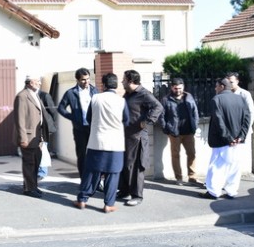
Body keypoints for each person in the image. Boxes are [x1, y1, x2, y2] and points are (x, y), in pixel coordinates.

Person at [73, 73, 129, 213]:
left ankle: (82, 200)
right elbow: (126, 120)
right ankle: (108, 204)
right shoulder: (121, 101)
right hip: (115, 143)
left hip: (96, 141)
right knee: (113, 173)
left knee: (91, 171)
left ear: (103, 85)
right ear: (116, 85)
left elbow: (89, 118)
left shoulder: (95, 98)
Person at [201, 78, 251, 200]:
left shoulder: (216, 99)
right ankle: (232, 191)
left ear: (222, 86)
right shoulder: (241, 99)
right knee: (235, 167)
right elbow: (247, 119)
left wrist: (228, 138)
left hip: (222, 141)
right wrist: (241, 136)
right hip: (238, 141)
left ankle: (213, 192)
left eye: (216, 86)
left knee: (217, 166)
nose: (215, 88)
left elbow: (219, 121)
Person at [119, 69, 163, 207]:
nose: (122, 82)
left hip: (137, 136)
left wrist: (147, 121)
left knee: (136, 165)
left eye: (124, 80)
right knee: (126, 164)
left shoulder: (144, 94)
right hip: (126, 134)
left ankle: (137, 195)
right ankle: (125, 190)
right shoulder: (128, 94)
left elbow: (158, 107)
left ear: (131, 81)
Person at [57, 68, 98, 180]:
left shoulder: (95, 91)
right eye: (83, 80)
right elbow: (61, 108)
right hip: (79, 129)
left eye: (88, 79)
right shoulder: (70, 93)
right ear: (77, 80)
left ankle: (95, 181)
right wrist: (72, 117)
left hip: (93, 128)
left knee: (94, 154)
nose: (86, 82)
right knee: (82, 155)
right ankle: (84, 180)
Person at [159, 77, 200, 185]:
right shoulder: (165, 99)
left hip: (189, 131)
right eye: (176, 88)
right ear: (172, 87)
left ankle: (192, 176)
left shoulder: (189, 97)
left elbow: (195, 112)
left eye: (180, 88)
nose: (178, 90)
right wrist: (166, 128)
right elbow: (161, 116)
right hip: (174, 132)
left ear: (183, 87)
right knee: (175, 155)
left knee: (192, 154)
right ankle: (179, 178)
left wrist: (194, 126)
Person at [14, 76, 45, 198]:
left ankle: (33, 186)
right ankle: (28, 188)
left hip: (37, 136)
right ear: (30, 82)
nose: (40, 83)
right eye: (37, 81)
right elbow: (19, 119)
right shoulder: (22, 96)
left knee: (36, 162)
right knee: (29, 163)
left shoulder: (34, 94)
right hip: (27, 136)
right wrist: (23, 138)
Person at [37, 82, 57, 181]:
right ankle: (38, 171)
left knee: (43, 148)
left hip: (44, 127)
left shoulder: (44, 95)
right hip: (35, 128)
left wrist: (51, 123)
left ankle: (42, 172)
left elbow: (53, 111)